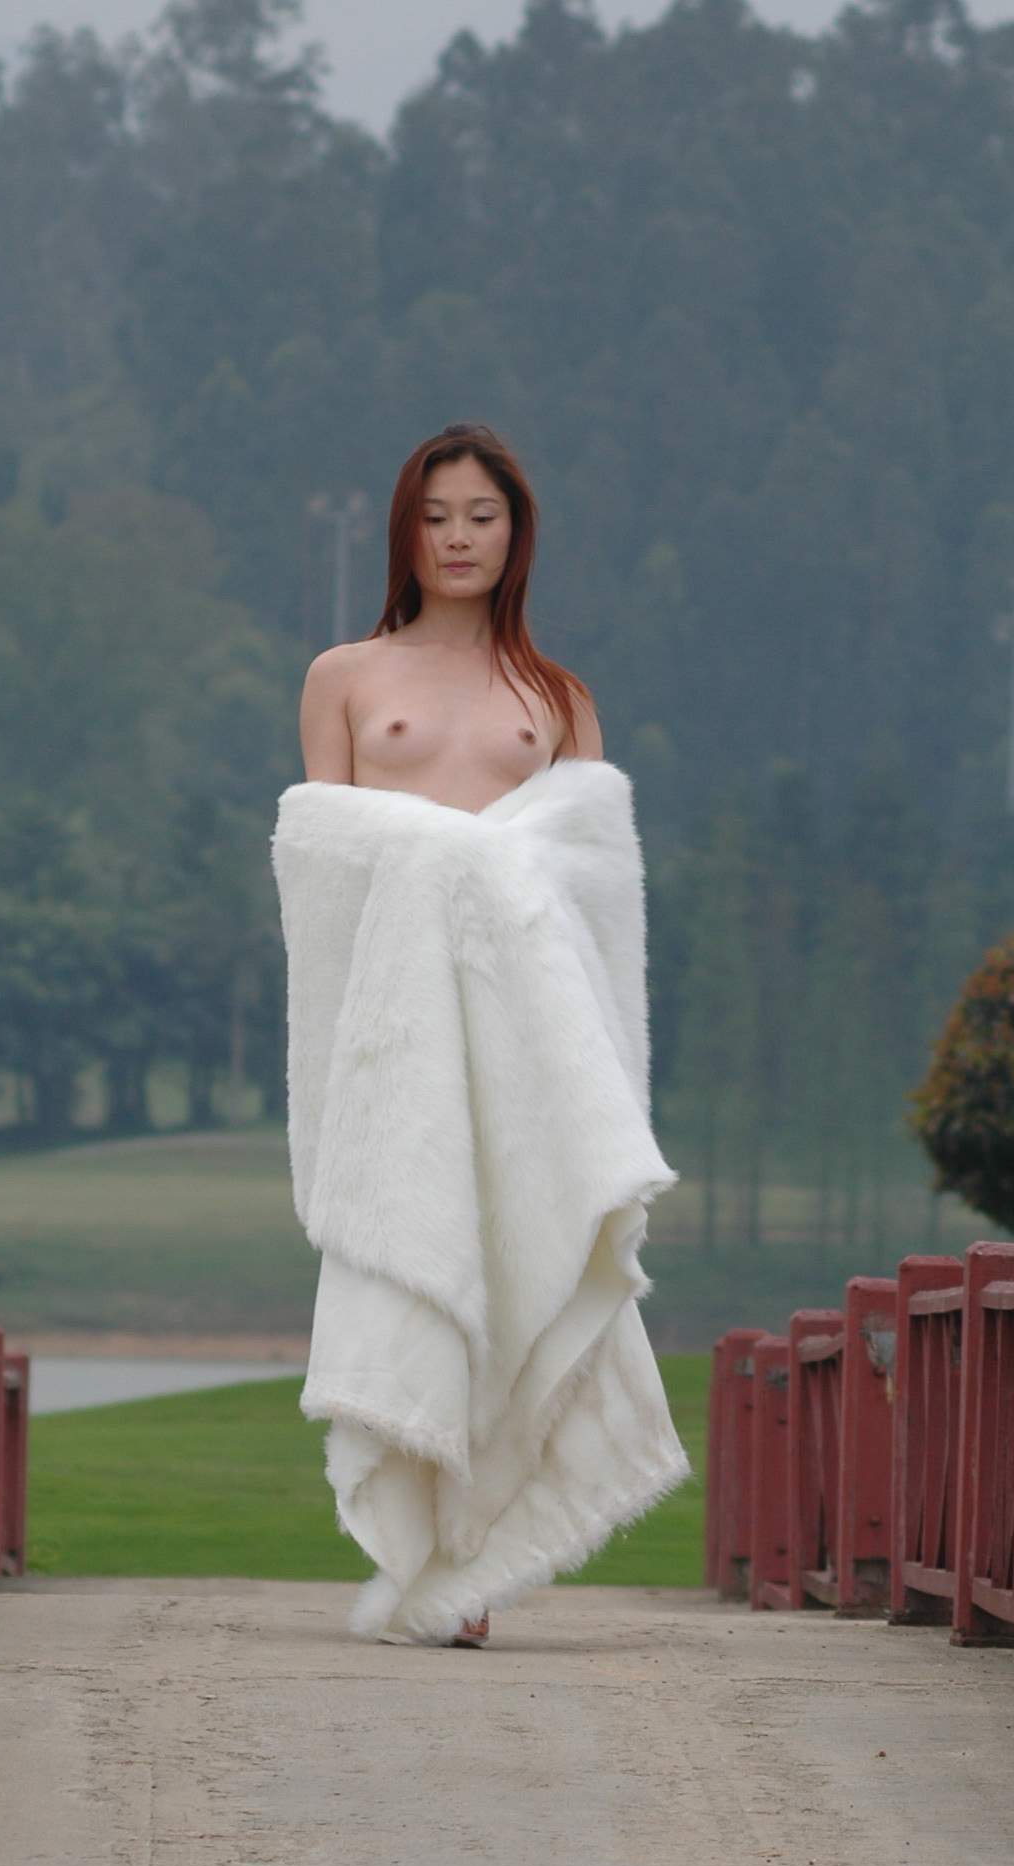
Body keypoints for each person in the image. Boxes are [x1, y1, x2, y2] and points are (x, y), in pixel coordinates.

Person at [275, 422, 688, 1649]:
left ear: (517, 534)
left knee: (515, 1262)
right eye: (435, 514)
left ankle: (477, 1565)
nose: (457, 538)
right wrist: (447, 862)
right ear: (404, 531)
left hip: (519, 1042)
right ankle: (418, 1547)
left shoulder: (555, 699)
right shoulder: (343, 677)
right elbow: (324, 867)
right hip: (397, 1033)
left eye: (481, 515)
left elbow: (590, 888)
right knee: (415, 1262)